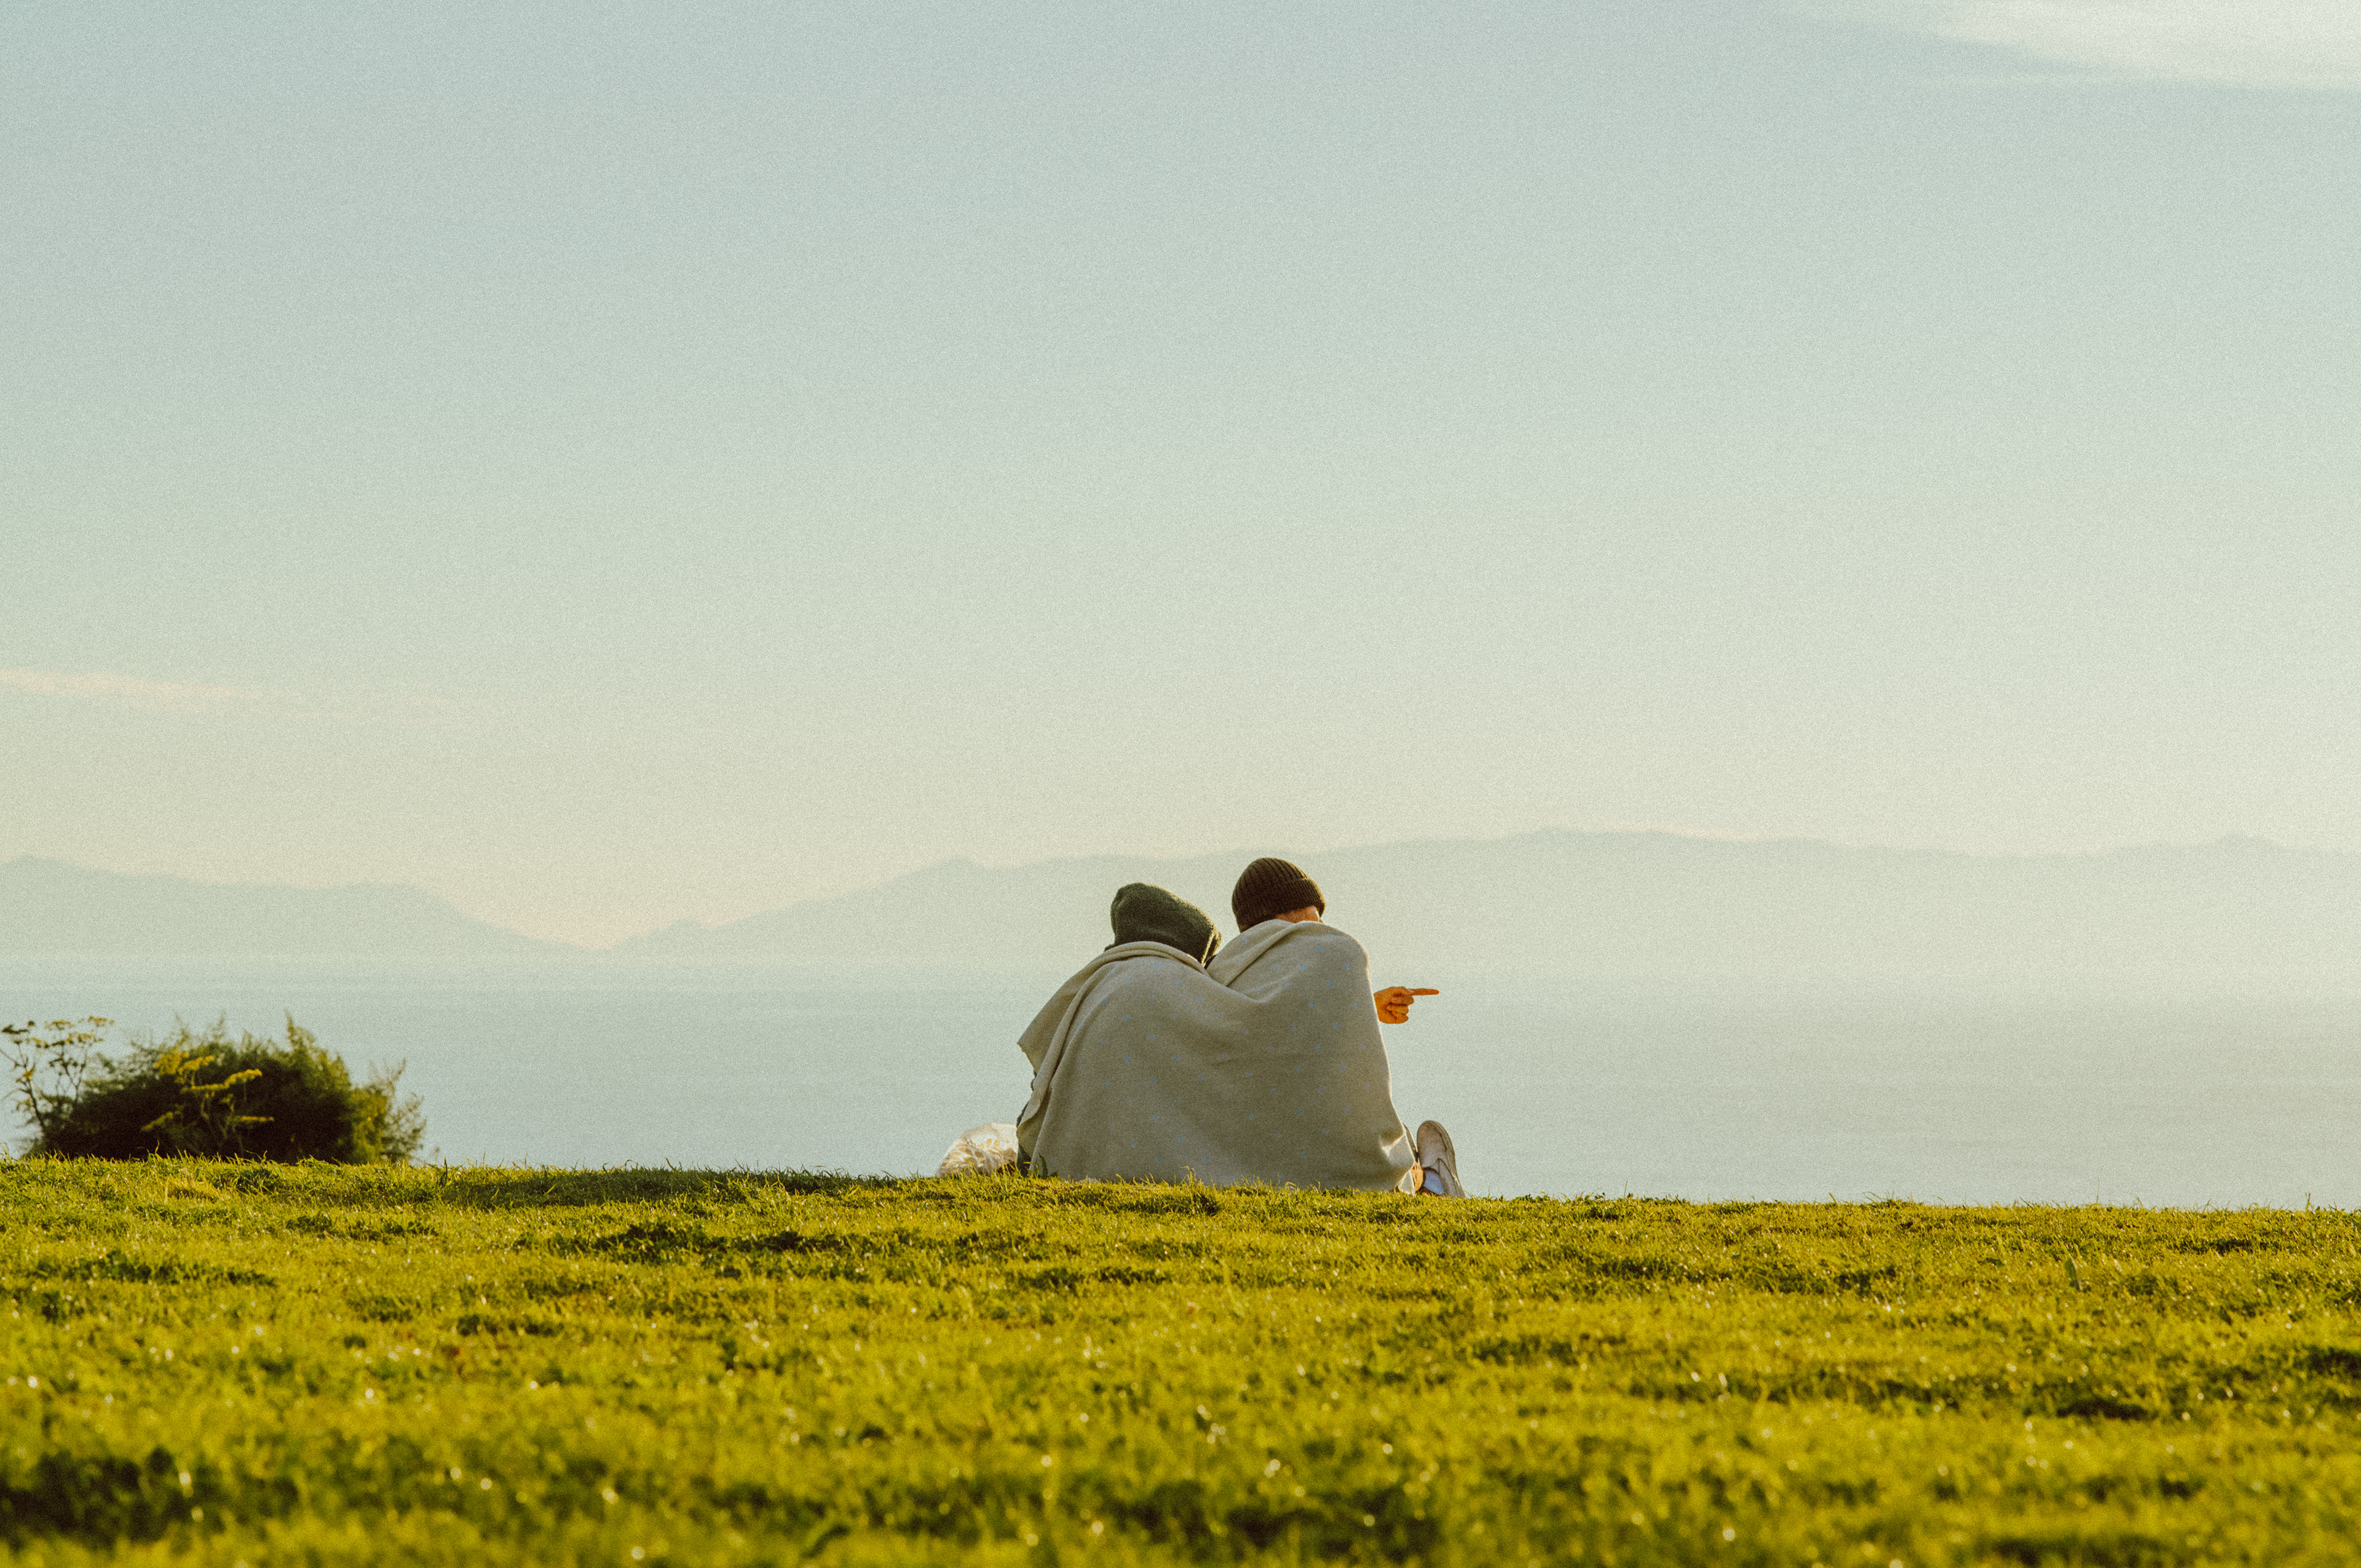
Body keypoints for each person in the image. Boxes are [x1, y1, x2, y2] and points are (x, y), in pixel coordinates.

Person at [1015, 881, 1432, 1192]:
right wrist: (1353, 1004)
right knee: (1391, 1158)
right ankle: (1426, 1175)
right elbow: (1267, 1043)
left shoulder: (1105, 984)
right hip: (1215, 1168)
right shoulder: (1168, 989)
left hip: (1065, 1161)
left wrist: (1359, 1006)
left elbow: (1257, 1031)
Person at [1219, 857, 1463, 1197]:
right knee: (1399, 1140)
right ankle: (1433, 1181)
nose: (1321, 927)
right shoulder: (1336, 952)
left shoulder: (1223, 973)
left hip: (1250, 1159)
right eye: (1316, 917)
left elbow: (1276, 1023)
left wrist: (1362, 1004)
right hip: (1336, 1167)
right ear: (1299, 910)